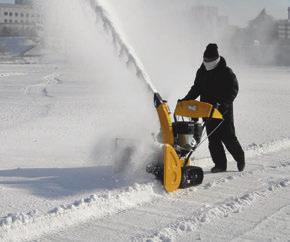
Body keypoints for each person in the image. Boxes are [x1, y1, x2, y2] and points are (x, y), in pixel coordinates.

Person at [180, 43, 245, 173]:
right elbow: (196, 88)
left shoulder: (227, 72)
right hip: (206, 109)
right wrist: (186, 100)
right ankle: (220, 165)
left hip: (223, 110)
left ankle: (240, 158)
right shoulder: (202, 71)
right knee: (213, 139)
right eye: (205, 59)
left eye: (209, 60)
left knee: (228, 137)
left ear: (216, 59)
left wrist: (223, 104)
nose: (206, 62)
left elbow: (233, 91)